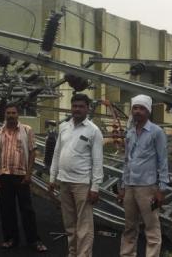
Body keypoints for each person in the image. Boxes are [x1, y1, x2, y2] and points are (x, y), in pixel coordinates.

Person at [49, 93, 104, 257]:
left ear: (87, 108)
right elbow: (57, 153)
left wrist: (95, 187)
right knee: (70, 224)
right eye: (75, 106)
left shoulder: (93, 131)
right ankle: (72, 254)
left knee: (84, 226)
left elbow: (97, 161)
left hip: (82, 184)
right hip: (64, 182)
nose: (77, 109)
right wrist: (52, 178)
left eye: (81, 106)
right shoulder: (64, 127)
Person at [0, 102, 48, 253]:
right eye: (8, 113)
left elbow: (32, 153)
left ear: (18, 114)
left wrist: (29, 174)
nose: (10, 116)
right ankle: (11, 239)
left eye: (13, 113)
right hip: (3, 175)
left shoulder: (26, 130)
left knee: (27, 210)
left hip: (21, 176)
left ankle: (34, 240)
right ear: (5, 114)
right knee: (6, 210)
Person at [118, 94, 169, 257]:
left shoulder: (156, 132)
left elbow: (163, 161)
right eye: (135, 108)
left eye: (142, 108)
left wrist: (161, 189)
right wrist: (123, 186)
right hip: (130, 186)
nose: (138, 111)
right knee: (129, 227)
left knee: (151, 227)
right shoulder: (130, 132)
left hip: (148, 187)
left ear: (148, 111)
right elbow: (127, 160)